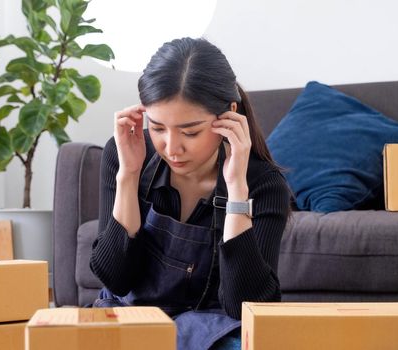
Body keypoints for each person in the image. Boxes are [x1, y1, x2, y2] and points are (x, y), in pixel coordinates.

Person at [89, 37, 291, 350]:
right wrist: (128, 176)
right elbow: (114, 279)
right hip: (132, 320)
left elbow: (246, 305)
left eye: (190, 132)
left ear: (229, 115)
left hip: (212, 332)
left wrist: (237, 187)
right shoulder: (124, 153)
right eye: (157, 128)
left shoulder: (264, 184)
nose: (172, 148)